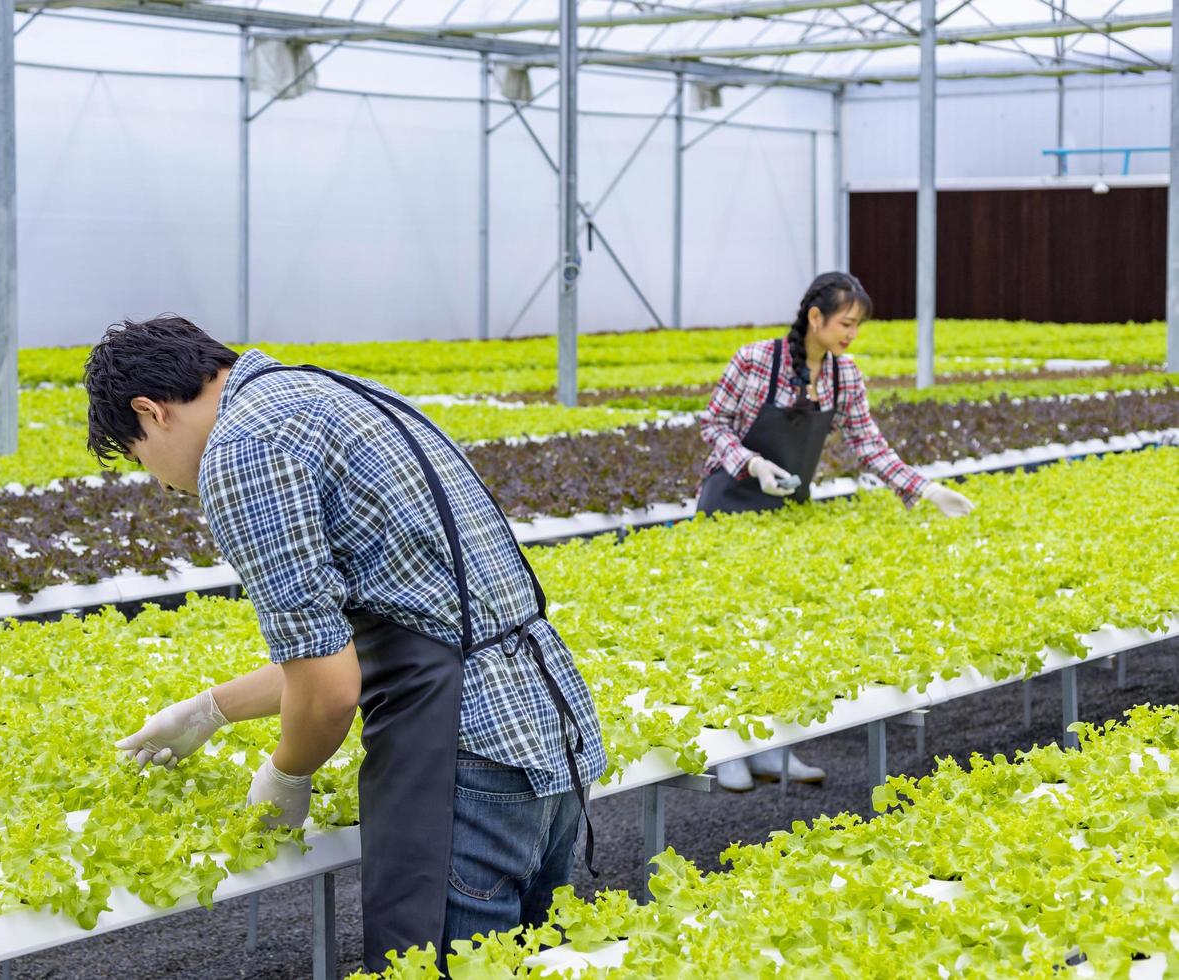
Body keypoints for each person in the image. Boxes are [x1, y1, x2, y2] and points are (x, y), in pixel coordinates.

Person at [86, 316, 606, 970]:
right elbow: (400, 634)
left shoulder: (244, 449)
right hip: (548, 738)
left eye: (139, 459)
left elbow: (330, 691)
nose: (160, 482)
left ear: (151, 412)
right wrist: (209, 710)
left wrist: (287, 773)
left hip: (464, 761)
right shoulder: (335, 393)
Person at [694, 272, 974, 793]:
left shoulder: (843, 376)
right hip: (730, 507)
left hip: (788, 512)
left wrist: (926, 489)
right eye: (846, 323)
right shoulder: (756, 360)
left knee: (781, 629)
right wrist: (752, 464)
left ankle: (775, 749)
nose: (852, 334)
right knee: (731, 631)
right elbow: (714, 425)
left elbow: (870, 446)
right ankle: (727, 753)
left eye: (858, 326)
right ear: (816, 318)